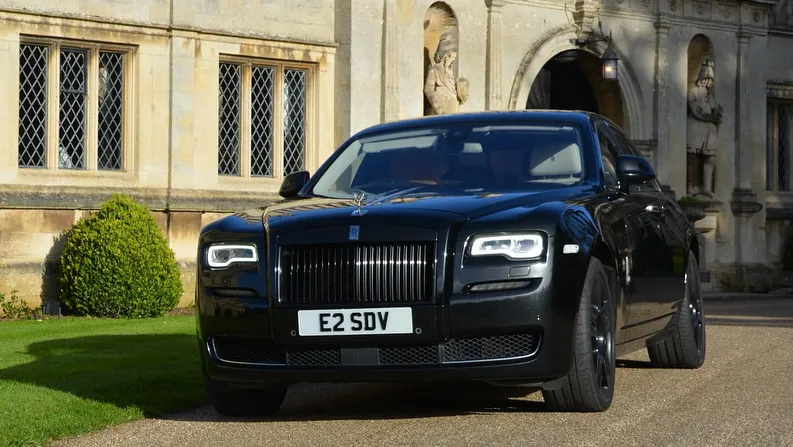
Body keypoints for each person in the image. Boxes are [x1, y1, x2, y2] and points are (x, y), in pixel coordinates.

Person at [686, 59, 723, 198]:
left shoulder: (709, 96)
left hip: (709, 131)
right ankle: (691, 186)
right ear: (701, 79)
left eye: (710, 80)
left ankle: (707, 187)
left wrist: (717, 113)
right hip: (695, 129)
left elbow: (717, 110)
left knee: (710, 158)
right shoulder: (693, 92)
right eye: (706, 79)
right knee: (693, 157)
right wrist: (712, 117)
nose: (708, 82)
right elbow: (696, 111)